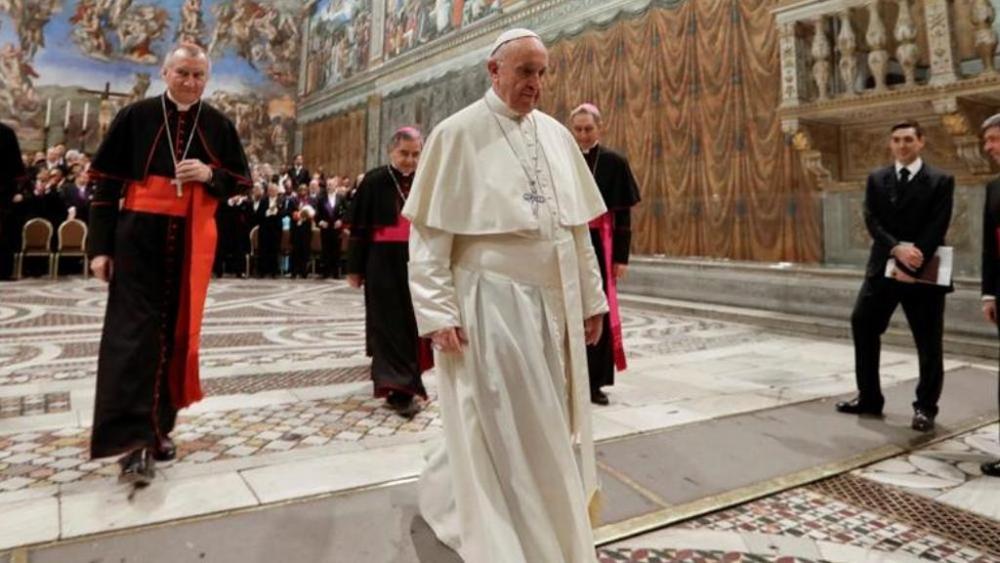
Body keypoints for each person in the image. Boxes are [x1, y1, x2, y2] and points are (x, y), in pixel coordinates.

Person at [404, 29, 608, 562]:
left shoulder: (558, 136)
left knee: (542, 420)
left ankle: (513, 507)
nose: (535, 84)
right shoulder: (456, 134)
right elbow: (430, 239)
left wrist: (591, 298)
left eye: (541, 73)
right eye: (524, 72)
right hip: (489, 301)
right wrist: (437, 311)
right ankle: (504, 525)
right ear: (493, 71)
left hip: (550, 302)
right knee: (496, 417)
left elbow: (576, 229)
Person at [87, 43, 251, 485]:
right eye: (183, 73)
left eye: (199, 75)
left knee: (173, 337)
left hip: (188, 244)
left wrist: (209, 176)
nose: (191, 81)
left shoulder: (217, 124)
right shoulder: (135, 117)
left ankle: (159, 429)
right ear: (165, 72)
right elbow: (104, 185)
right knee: (133, 340)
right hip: (137, 241)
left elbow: (242, 181)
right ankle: (132, 442)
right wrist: (100, 249)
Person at [836, 120, 954, 433]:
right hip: (883, 267)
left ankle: (925, 408)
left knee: (928, 342)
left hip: (923, 270)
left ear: (921, 143)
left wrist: (912, 259)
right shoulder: (877, 178)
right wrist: (896, 250)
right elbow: (871, 220)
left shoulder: (941, 180)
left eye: (908, 140)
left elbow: (938, 225)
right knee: (862, 323)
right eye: (896, 140)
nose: (902, 145)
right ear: (891, 144)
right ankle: (869, 398)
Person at [347, 127, 428, 419]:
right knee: (387, 322)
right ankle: (397, 389)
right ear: (391, 152)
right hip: (381, 261)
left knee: (412, 323)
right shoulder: (374, 180)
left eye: (415, 154)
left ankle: (406, 381)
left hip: (418, 259)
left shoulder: (427, 179)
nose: (409, 160)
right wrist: (355, 268)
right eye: (404, 154)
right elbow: (358, 230)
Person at [569, 103, 641, 405]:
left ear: (600, 128)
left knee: (597, 310)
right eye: (578, 129)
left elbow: (623, 214)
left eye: (588, 129)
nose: (583, 135)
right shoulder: (564, 161)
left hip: (601, 243)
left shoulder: (614, 162)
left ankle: (595, 382)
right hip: (569, 243)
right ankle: (571, 378)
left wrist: (620, 258)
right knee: (571, 310)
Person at [977, 113, 1000, 478]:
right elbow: (989, 247)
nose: (989, 148)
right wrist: (988, 294)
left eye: (994, 140)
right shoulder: (994, 187)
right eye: (987, 142)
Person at [0, 121, 28, 280]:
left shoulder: (6, 133)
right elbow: (17, 169)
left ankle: (3, 270)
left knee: (4, 232)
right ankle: (3, 270)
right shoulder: (7, 132)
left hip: (3, 192)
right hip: (4, 191)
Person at [316, 177, 346, 278]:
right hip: (325, 228)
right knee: (325, 250)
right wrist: (320, 222)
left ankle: (336, 273)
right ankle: (325, 272)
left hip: (337, 228)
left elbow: (347, 212)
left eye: (331, 184)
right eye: (328, 184)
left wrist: (341, 221)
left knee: (336, 250)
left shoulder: (341, 198)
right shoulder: (321, 198)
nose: (329, 186)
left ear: (335, 185)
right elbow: (317, 214)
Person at [257, 181, 287, 278]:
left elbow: (284, 213)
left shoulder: (281, 201)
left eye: (274, 190)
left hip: (276, 229)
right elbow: (258, 214)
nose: (272, 191)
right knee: (264, 250)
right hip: (265, 229)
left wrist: (276, 212)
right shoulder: (263, 200)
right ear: (268, 191)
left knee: (275, 250)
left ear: (277, 191)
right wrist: (267, 212)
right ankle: (262, 271)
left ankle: (274, 271)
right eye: (270, 190)